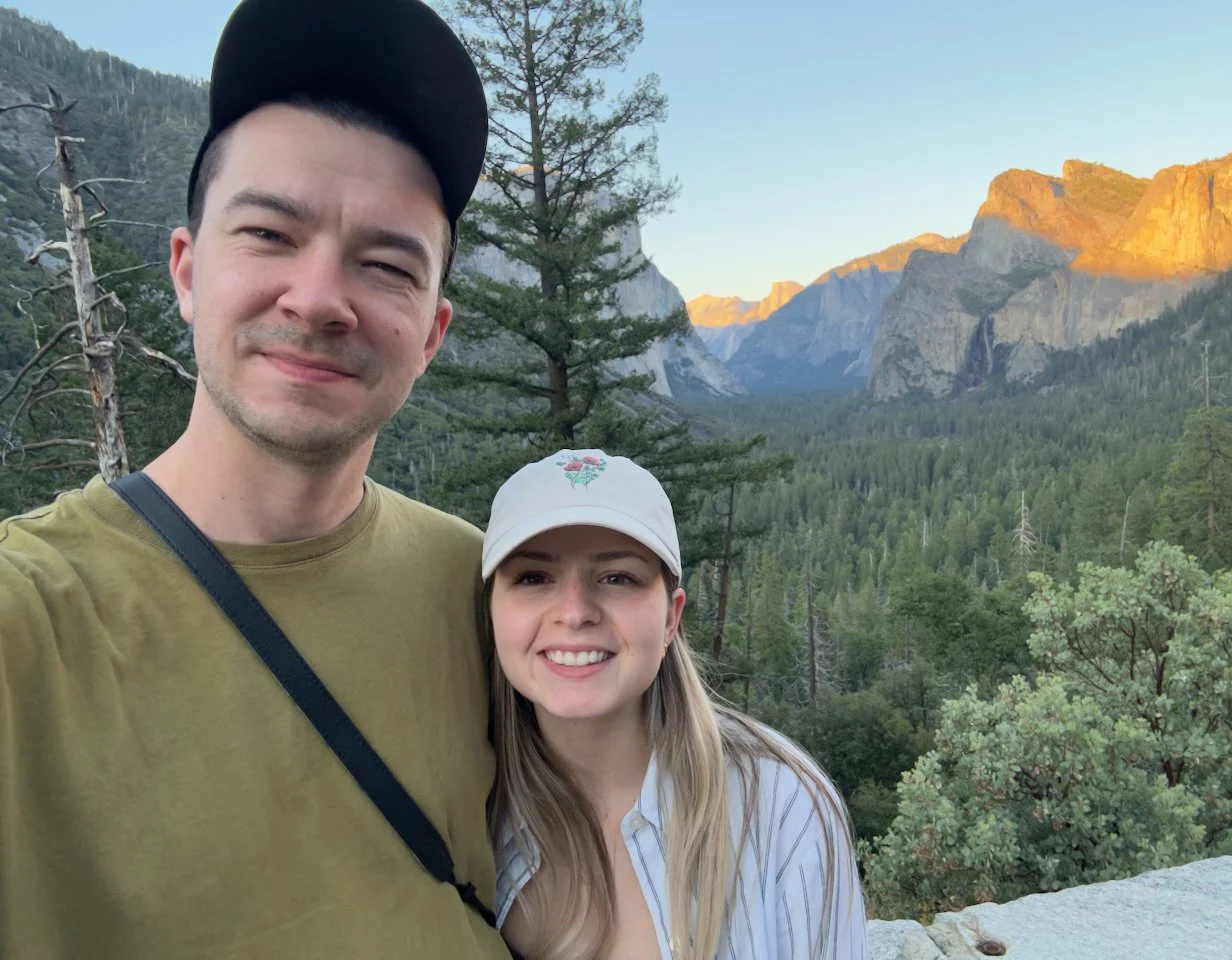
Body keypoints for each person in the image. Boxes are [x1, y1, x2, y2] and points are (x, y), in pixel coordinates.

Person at [0, 1, 512, 957]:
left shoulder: (483, 587)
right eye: (271, 234)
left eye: (388, 266)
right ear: (187, 272)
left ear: (432, 336)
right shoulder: (30, 619)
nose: (319, 298)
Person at [481, 450, 870, 960]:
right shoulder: (468, 804)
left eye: (617, 577)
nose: (574, 613)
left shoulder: (782, 807)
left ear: (671, 618)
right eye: (533, 577)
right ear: (491, 612)